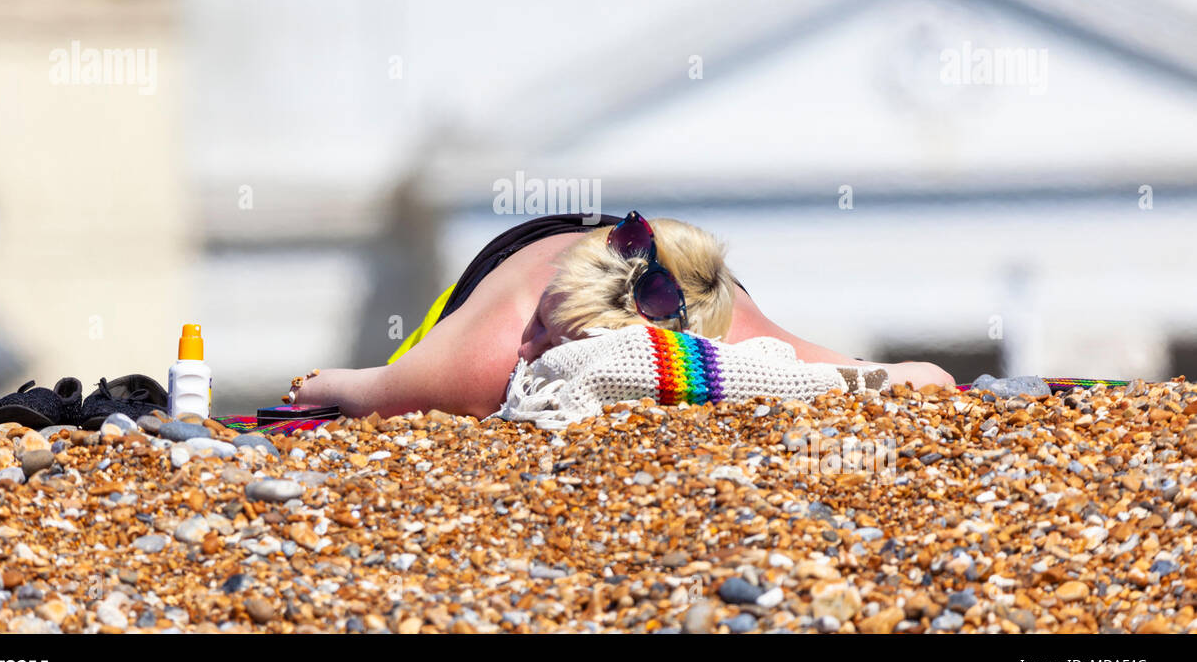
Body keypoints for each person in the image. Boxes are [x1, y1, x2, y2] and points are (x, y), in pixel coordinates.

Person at [290, 211, 955, 419]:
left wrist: (314, 386)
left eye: (550, 341)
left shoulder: (732, 323)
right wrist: (313, 386)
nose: (532, 347)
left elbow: (917, 377)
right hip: (498, 266)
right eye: (546, 327)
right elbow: (358, 386)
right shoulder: (493, 340)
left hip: (678, 267)